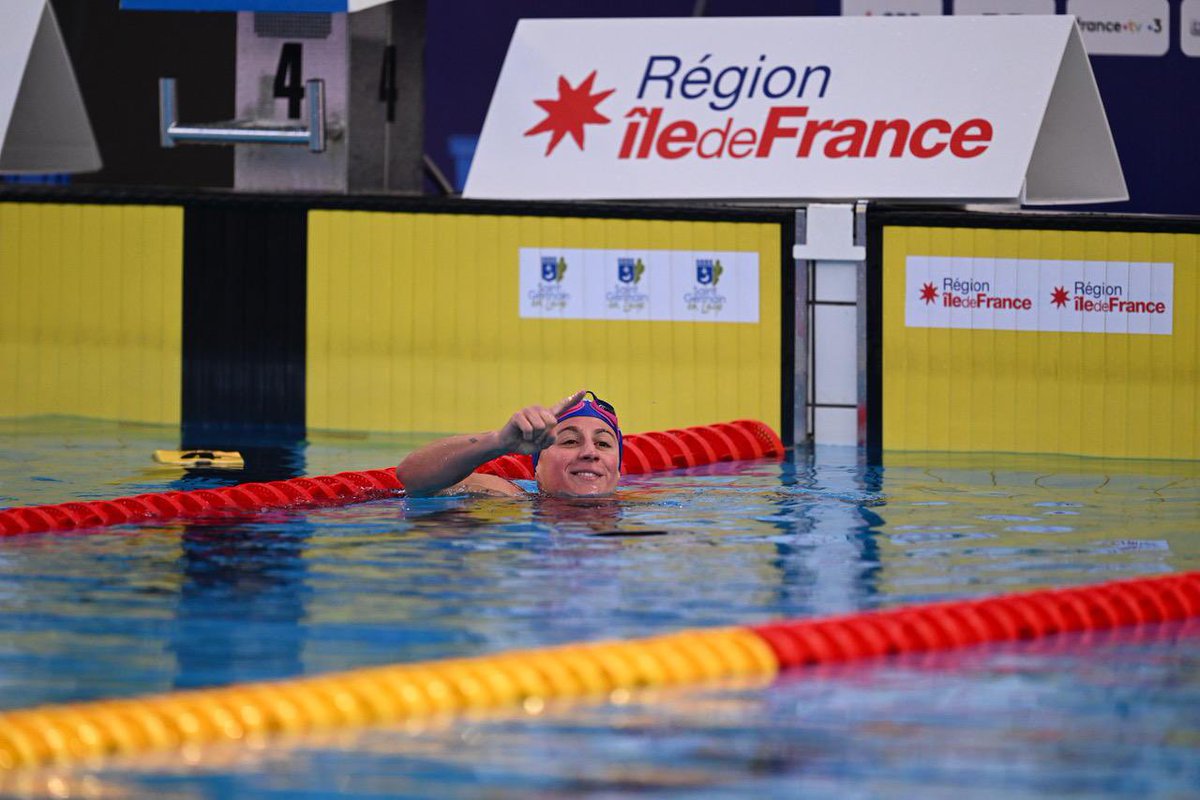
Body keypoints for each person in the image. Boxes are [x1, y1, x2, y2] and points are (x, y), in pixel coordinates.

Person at [396, 390, 623, 498]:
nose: (590, 452)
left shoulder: (647, 508)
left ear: (619, 471)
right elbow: (413, 478)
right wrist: (498, 442)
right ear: (537, 468)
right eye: (570, 441)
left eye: (603, 443)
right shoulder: (503, 495)